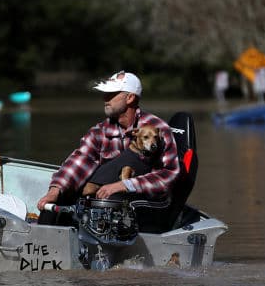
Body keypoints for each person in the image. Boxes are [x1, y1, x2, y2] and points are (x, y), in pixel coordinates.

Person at [35, 70, 181, 222]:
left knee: (111, 200)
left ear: (130, 98)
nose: (105, 98)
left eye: (112, 94)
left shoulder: (158, 129)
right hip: (106, 199)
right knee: (55, 203)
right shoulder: (99, 131)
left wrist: (125, 185)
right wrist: (55, 190)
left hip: (146, 203)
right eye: (105, 93)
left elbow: (169, 175)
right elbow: (79, 161)